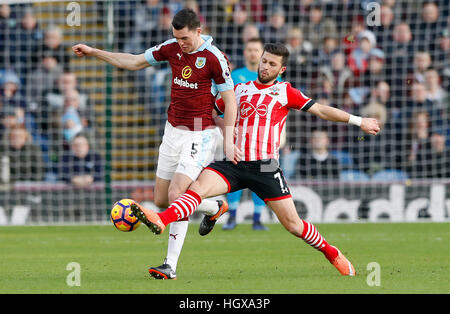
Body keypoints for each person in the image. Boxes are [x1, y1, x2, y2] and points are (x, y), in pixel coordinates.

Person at [130, 43, 380, 278]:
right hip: (234, 163)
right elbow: (212, 111)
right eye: (264, 61)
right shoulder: (239, 89)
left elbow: (321, 110)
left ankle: (331, 252)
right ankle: (161, 219)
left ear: (281, 69)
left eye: (272, 64)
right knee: (195, 189)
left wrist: (359, 121)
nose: (265, 67)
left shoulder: (285, 91)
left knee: (294, 226)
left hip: (265, 168)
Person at [72, 8, 239, 280]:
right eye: (176, 37)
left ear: (198, 31)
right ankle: (214, 207)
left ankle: (169, 265)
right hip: (172, 131)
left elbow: (230, 102)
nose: (181, 43)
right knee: (162, 199)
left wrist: (229, 140)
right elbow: (134, 61)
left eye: (185, 38)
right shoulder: (171, 48)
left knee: (176, 195)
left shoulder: (214, 58)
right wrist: (94, 52)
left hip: (200, 134)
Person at [223, 37, 269, 231]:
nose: (252, 53)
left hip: (263, 137)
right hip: (239, 135)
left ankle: (258, 219)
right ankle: (232, 217)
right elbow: (226, 103)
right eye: (249, 49)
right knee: (234, 175)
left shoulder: (271, 77)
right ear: (245, 52)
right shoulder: (235, 76)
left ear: (262, 54)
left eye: (256, 50)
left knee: (263, 177)